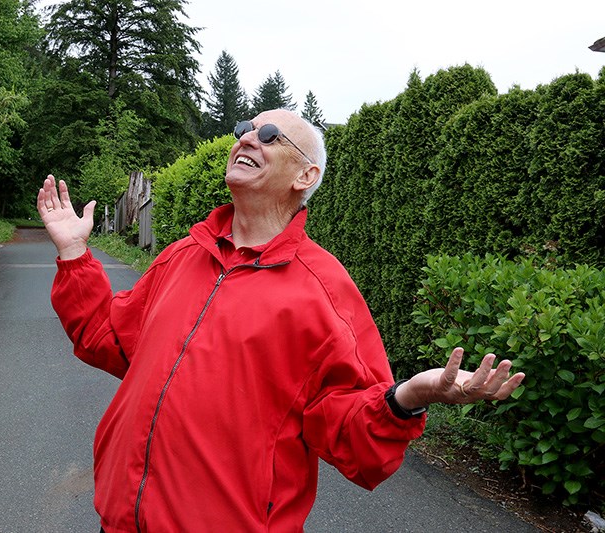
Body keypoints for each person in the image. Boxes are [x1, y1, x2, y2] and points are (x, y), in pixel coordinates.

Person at [37, 109, 525, 532]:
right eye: (246, 128)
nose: (247, 137)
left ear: (305, 176)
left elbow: (353, 438)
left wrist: (406, 399)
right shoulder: (182, 256)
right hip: (120, 521)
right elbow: (108, 338)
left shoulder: (324, 291)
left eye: (270, 136)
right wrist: (75, 253)